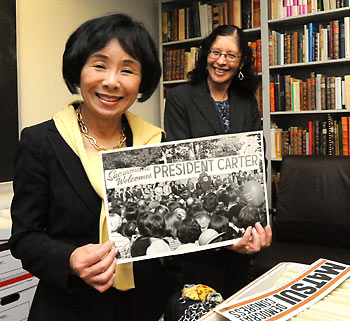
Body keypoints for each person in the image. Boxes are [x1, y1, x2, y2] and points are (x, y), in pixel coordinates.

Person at [10, 13, 168, 321]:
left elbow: (173, 236)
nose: (111, 81)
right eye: (99, 65)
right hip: (69, 308)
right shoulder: (41, 141)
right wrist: (69, 258)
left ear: (142, 80)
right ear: (78, 70)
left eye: (127, 69)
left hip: (143, 307)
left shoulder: (155, 142)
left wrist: (230, 240)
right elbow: (24, 238)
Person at [164, 24, 272, 298]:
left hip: (240, 225)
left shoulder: (246, 99)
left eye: (231, 55)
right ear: (205, 55)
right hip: (200, 229)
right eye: (215, 52)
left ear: (242, 62)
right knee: (201, 305)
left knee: (236, 302)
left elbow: (257, 158)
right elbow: (179, 166)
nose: (221, 61)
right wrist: (221, 237)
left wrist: (256, 221)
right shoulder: (179, 97)